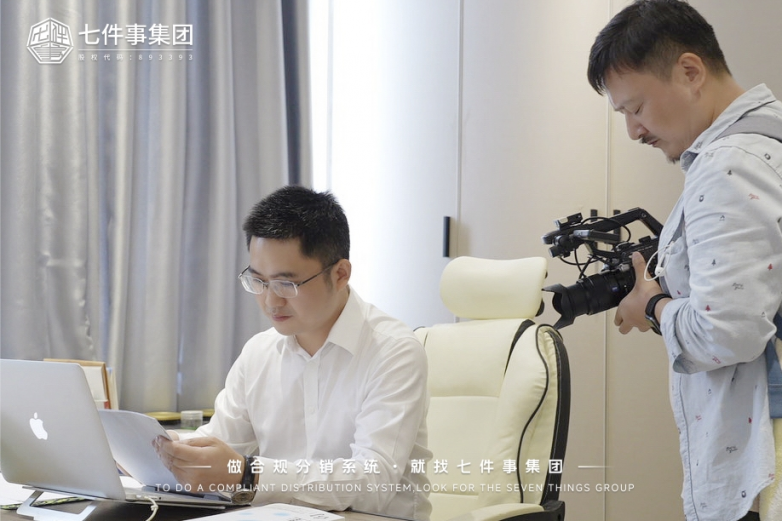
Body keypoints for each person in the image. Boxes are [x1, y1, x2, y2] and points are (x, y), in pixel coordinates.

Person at [587, 1, 782, 520]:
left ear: (690, 71)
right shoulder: (770, 139)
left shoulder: (729, 166)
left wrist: (652, 306)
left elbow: (727, 332)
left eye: (635, 108)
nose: (633, 131)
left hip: (764, 468)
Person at [154, 186, 432, 520]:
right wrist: (164, 448)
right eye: (258, 281)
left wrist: (248, 475)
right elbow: (220, 442)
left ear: (340, 274)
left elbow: (373, 481)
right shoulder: (259, 352)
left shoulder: (393, 351)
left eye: (286, 284)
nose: (271, 301)